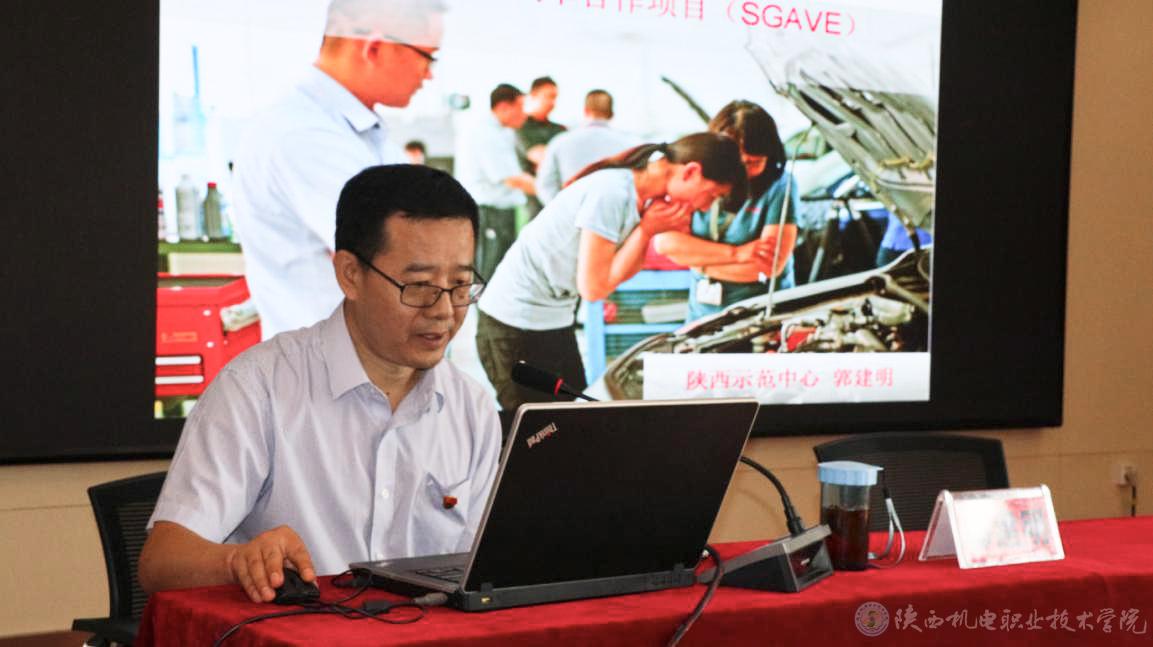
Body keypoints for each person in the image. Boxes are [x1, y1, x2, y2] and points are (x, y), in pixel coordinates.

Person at [139, 165, 502, 604]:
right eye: (420, 286)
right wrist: (237, 561)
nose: (444, 310)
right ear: (350, 274)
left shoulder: (471, 408)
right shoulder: (259, 387)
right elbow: (162, 562)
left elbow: (482, 572)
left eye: (460, 285)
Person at [475, 133, 746, 411]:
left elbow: (623, 273)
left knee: (575, 420)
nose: (704, 206)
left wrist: (647, 231)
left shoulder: (640, 199)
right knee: (537, 429)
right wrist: (646, 231)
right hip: (512, 325)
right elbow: (593, 288)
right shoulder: (611, 193)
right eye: (712, 194)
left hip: (552, 322)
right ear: (691, 172)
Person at [231, 0, 444, 340]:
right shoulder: (305, 133)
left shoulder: (357, 130)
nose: (429, 74)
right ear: (374, 48)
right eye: (427, 56)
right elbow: (399, 257)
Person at [653, 100, 799, 322]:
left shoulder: (780, 187)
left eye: (754, 163)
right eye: (736, 162)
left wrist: (699, 261)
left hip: (763, 316)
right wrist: (737, 254)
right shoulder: (697, 177)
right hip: (702, 316)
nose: (743, 172)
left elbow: (768, 265)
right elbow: (666, 244)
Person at [454, 83, 536, 281]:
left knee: (499, 275)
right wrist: (554, 193)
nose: (524, 114)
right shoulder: (488, 134)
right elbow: (513, 179)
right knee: (491, 277)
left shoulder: (502, 131)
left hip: (496, 213)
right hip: (490, 213)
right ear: (503, 107)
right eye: (520, 107)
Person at [535, 89, 641, 204]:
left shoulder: (560, 142)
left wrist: (561, 209)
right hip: (616, 211)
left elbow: (545, 185)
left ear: (585, 111)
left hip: (572, 210)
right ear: (611, 114)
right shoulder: (631, 144)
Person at [516, 76, 566, 219]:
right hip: (531, 203)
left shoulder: (560, 130)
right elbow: (540, 156)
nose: (552, 102)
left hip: (558, 200)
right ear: (533, 95)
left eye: (555, 97)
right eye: (548, 96)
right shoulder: (520, 127)